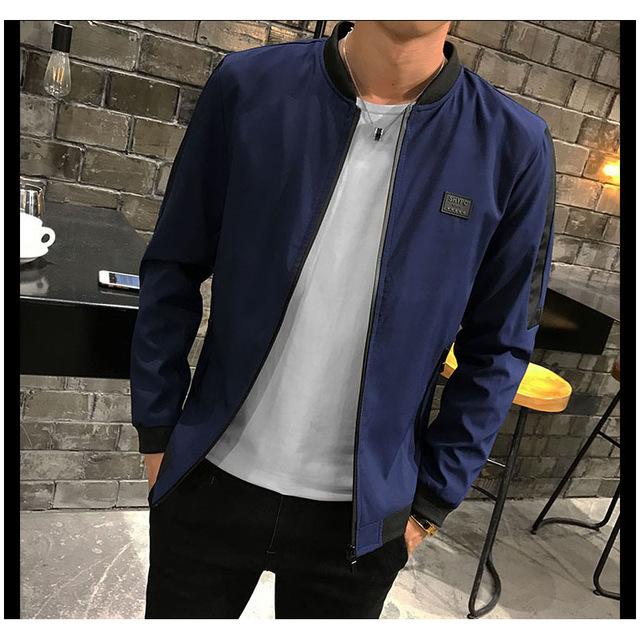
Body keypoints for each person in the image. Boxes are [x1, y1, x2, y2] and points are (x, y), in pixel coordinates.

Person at [130, 19, 556, 619]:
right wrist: (157, 429)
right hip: (208, 476)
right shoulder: (249, 86)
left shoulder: (514, 145)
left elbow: (502, 343)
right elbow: (174, 263)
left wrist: (430, 501)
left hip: (363, 520)